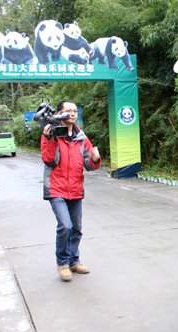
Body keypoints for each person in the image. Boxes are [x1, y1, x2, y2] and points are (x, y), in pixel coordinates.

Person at [41, 100, 101, 282]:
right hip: (56, 188)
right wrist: (50, 140)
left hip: (75, 188)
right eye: (68, 111)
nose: (73, 114)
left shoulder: (82, 137)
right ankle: (63, 263)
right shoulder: (51, 134)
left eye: (75, 111)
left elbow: (88, 165)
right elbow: (49, 160)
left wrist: (95, 158)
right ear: (59, 113)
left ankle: (74, 261)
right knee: (65, 226)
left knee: (76, 228)